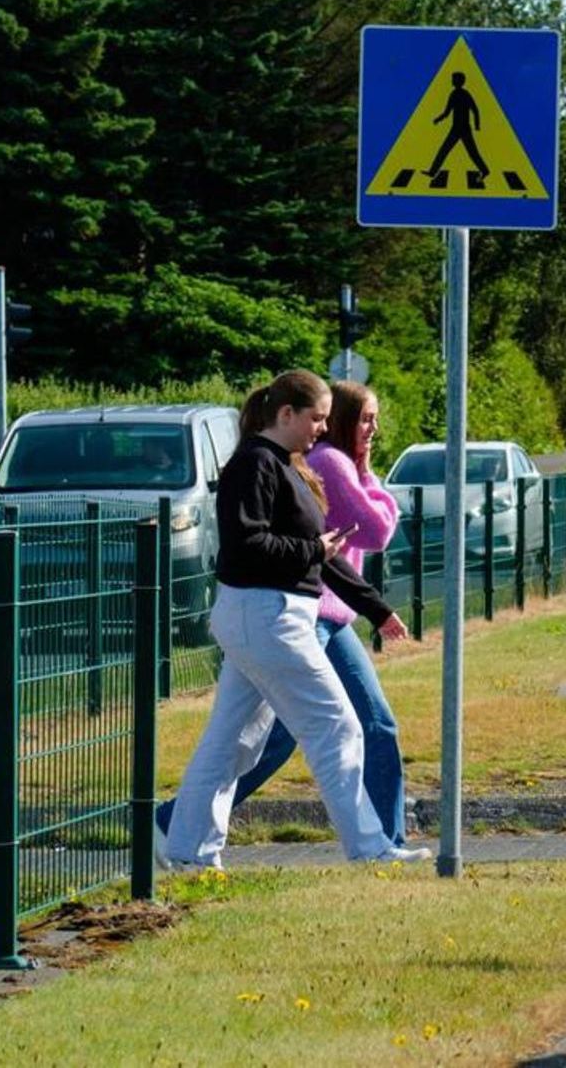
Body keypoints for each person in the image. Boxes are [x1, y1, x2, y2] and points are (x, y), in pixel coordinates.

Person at [156, 370, 431, 869]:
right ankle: (371, 849)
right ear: (286, 415)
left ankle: (186, 851)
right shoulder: (254, 465)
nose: (323, 429)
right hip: (266, 616)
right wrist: (311, 548)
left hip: (268, 616)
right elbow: (247, 544)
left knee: (234, 741)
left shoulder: (288, 464)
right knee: (338, 725)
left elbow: (322, 553)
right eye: (316, 418)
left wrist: (375, 607)